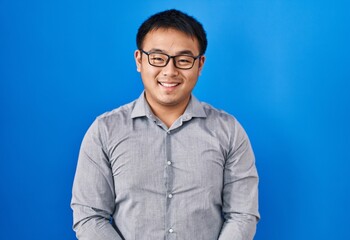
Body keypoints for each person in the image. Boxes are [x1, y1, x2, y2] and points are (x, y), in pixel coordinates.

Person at [71, 9, 260, 240]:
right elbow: (89, 216)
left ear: (200, 65)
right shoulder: (105, 131)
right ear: (139, 60)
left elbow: (242, 214)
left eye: (183, 60)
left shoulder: (228, 131)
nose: (170, 71)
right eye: (158, 58)